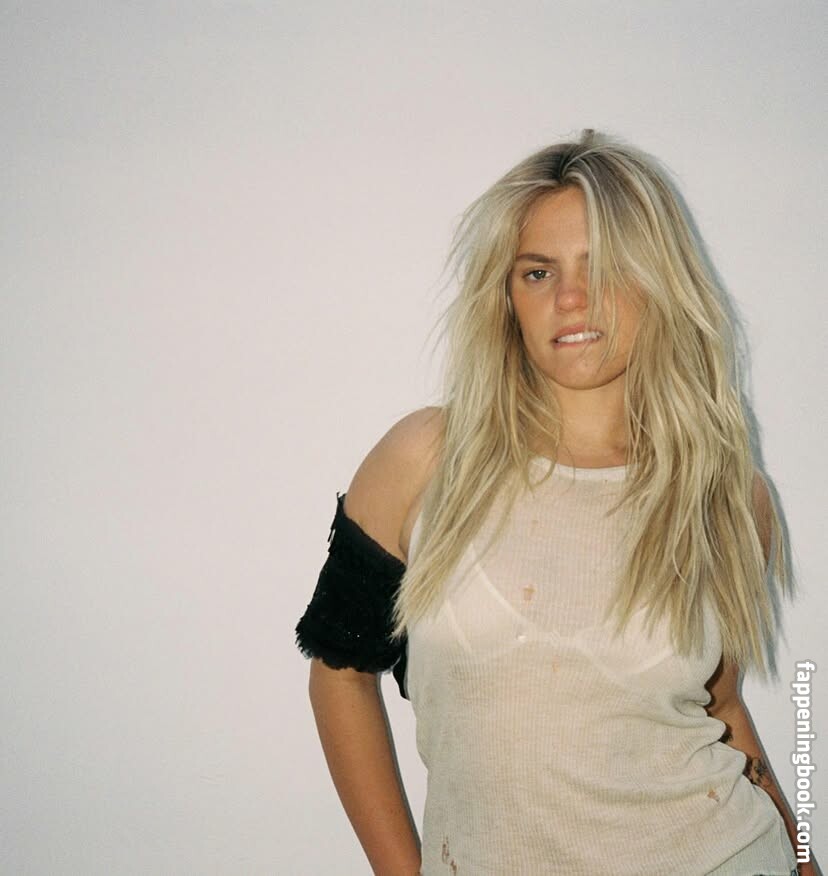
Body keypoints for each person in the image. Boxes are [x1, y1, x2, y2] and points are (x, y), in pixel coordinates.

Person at [295, 129, 816, 875]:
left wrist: (804, 856)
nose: (571, 298)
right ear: (507, 297)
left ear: (658, 282)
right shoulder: (425, 459)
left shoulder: (725, 494)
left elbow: (721, 707)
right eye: (538, 273)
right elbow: (339, 674)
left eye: (604, 267)